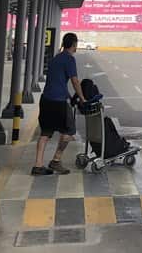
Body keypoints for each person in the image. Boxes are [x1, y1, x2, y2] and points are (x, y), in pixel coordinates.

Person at [32, 33, 85, 176]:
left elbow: (57, 81)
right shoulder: (69, 59)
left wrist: (68, 95)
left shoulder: (56, 58)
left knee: (45, 133)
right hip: (58, 102)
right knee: (69, 131)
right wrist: (82, 98)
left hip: (46, 100)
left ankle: (38, 165)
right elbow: (74, 81)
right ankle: (56, 160)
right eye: (76, 44)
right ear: (74, 44)